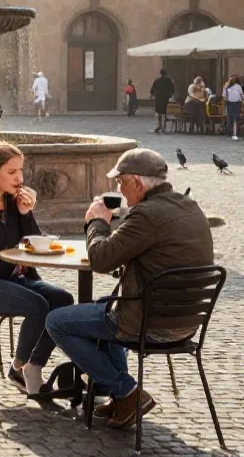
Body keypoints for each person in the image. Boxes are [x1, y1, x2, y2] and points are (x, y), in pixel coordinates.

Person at [46, 148, 213, 429]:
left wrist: (96, 222)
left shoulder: (146, 216)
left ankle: (126, 391)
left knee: (56, 322)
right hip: (186, 322)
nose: (120, 190)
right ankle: (121, 397)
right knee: (105, 302)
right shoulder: (188, 206)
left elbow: (100, 259)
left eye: (122, 182)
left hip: (150, 324)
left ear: (138, 182)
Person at [0, 141, 74, 396]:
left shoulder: (11, 204)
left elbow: (33, 244)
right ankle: (18, 367)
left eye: (21, 171)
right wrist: (11, 268)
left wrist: (26, 212)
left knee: (63, 300)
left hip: (12, 279)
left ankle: (33, 365)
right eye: (12, 172)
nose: (19, 178)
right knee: (37, 305)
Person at [148, 68, 176, 133]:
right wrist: (170, 95)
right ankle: (164, 126)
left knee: (158, 112)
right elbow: (172, 89)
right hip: (166, 98)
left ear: (160, 73)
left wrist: (152, 94)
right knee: (164, 112)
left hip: (158, 98)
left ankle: (160, 125)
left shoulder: (157, 80)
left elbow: (152, 89)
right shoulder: (169, 80)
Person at [224, 75, 242, 140]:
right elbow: (224, 95)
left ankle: (234, 133)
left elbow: (241, 94)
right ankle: (230, 131)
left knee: (236, 118)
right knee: (230, 118)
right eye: (231, 78)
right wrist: (226, 89)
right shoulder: (227, 85)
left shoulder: (238, 86)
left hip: (237, 103)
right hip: (230, 103)